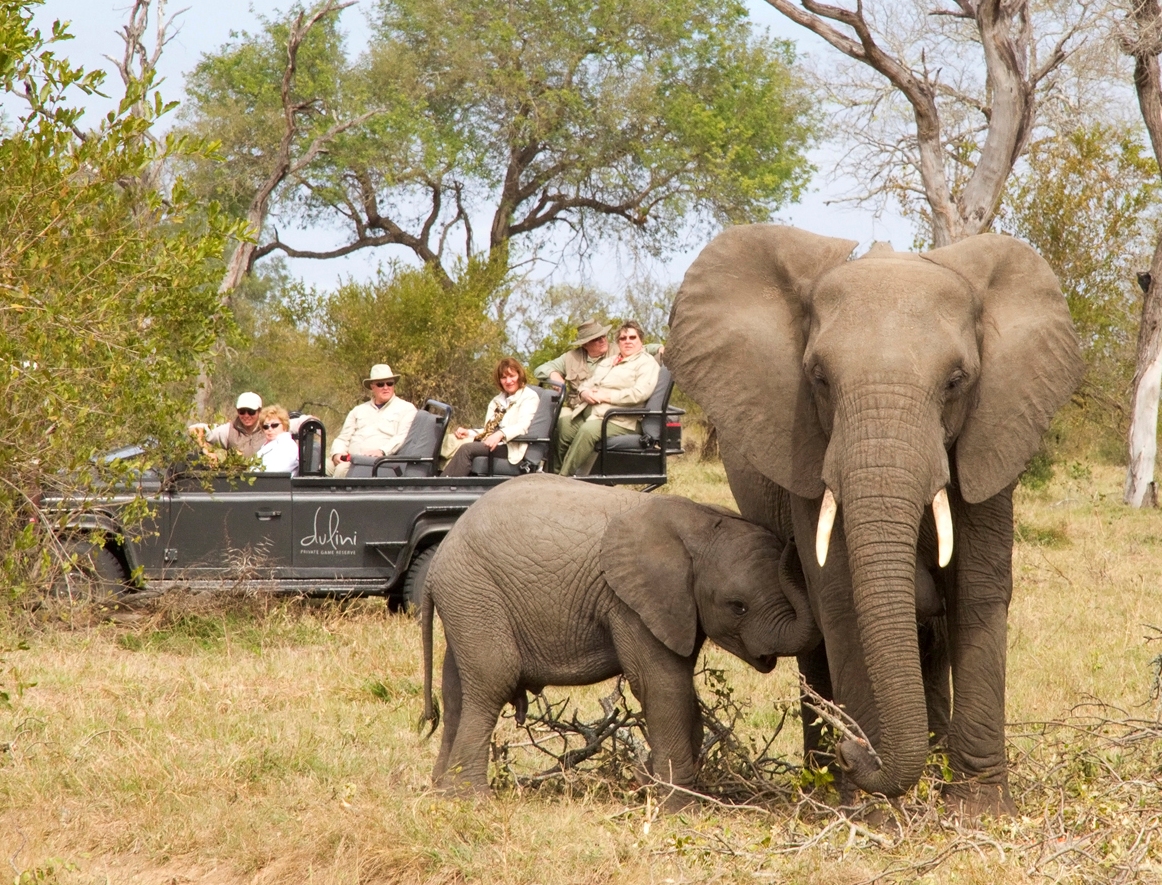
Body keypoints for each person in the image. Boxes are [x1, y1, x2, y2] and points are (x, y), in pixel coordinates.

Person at [556, 321, 659, 477]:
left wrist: (606, 396)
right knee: (564, 424)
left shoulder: (646, 363)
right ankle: (551, 474)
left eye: (633, 337)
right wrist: (584, 393)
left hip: (621, 418)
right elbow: (586, 384)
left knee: (588, 431)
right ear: (618, 342)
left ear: (641, 340)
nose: (628, 341)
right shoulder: (608, 362)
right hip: (592, 412)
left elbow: (639, 393)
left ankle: (563, 478)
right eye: (623, 338)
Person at [441, 358, 541, 477]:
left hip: (511, 446)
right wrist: (468, 433)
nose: (508, 381)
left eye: (512, 376)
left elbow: (522, 426)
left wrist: (500, 434)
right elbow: (489, 430)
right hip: (493, 442)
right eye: (504, 377)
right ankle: (434, 478)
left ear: (519, 375)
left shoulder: (529, 397)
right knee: (449, 440)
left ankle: (443, 486)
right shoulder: (497, 401)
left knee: (467, 449)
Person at [328, 363, 418, 477]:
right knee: (320, 467)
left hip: (377, 463)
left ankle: (337, 495)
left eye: (389, 383)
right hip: (350, 459)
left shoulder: (406, 409)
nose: (386, 387)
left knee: (341, 470)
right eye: (380, 384)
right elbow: (343, 438)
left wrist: (382, 451)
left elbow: (402, 437)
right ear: (372, 386)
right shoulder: (359, 410)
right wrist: (337, 453)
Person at [189, 391, 265, 459]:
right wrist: (207, 451)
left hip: (267, 474)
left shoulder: (269, 429)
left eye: (251, 411)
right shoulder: (230, 430)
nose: (246, 415)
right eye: (242, 411)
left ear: (259, 411)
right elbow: (194, 429)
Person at [256, 404, 299, 473]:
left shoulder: (287, 446)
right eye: (265, 426)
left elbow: (275, 471)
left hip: (275, 482)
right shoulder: (267, 445)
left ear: (284, 426)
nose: (269, 429)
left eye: (274, 425)